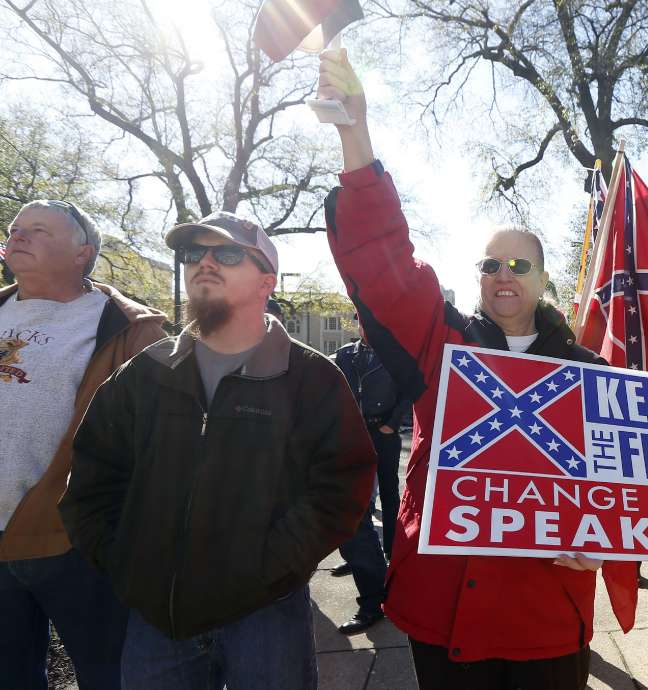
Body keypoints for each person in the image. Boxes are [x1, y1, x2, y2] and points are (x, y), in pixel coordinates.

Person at [320, 48, 604, 689]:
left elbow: (620, 485)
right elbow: (387, 264)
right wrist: (354, 135)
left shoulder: (587, 370)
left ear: (544, 278)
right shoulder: (439, 342)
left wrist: (608, 542)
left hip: (548, 609)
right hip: (444, 603)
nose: (503, 275)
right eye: (489, 264)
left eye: (520, 265)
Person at [59, 211, 376, 689]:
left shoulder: (311, 377)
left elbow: (342, 487)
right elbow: (92, 475)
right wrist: (128, 563)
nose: (204, 263)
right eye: (193, 253)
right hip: (156, 617)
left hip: (264, 612)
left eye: (226, 253)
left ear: (266, 280)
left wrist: (269, 566)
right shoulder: (147, 371)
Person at [0, 200, 166, 689]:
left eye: (38, 230)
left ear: (82, 254)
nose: (19, 235)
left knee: (112, 676)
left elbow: (158, 443)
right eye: (15, 228)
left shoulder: (132, 330)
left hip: (76, 545)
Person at [329, 318, 413, 634]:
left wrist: (393, 422)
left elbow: (408, 390)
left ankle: (391, 551)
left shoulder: (394, 354)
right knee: (357, 500)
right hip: (353, 431)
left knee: (389, 492)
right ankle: (365, 560)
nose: (367, 329)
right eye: (362, 323)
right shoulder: (345, 354)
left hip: (383, 431)